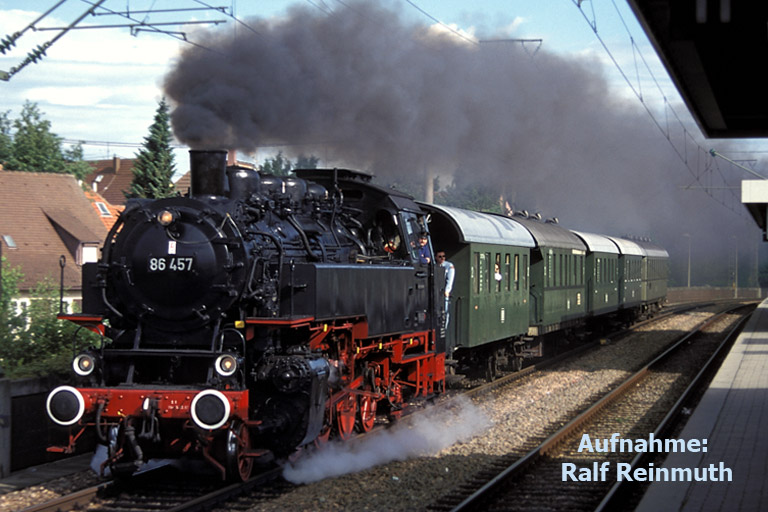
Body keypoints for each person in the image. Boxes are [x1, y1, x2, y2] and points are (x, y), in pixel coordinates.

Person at [436, 251, 455, 329]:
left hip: (443, 292)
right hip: (436, 291)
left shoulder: (449, 266)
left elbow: (450, 279)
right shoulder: (435, 265)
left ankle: (444, 328)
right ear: (436, 257)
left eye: (443, 256)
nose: (442, 258)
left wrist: (447, 290)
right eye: (440, 256)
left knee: (445, 311)